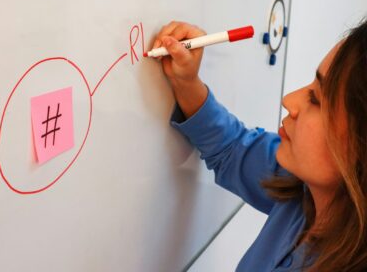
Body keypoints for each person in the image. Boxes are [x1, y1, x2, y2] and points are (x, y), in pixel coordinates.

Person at [151, 20, 367, 271]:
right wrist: (186, 83)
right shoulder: (301, 188)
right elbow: (231, 147)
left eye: (316, 99)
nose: (290, 100)